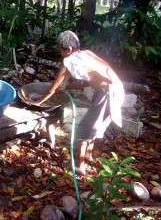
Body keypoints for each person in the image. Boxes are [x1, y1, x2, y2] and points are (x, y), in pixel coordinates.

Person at [28, 30, 125, 175]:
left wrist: (38, 102)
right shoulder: (88, 53)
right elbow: (91, 82)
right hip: (116, 90)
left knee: (84, 129)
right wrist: (68, 87)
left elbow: (51, 89)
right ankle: (88, 155)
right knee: (95, 126)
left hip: (106, 94)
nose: (60, 53)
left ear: (69, 49)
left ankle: (79, 166)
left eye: (61, 50)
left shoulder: (68, 61)